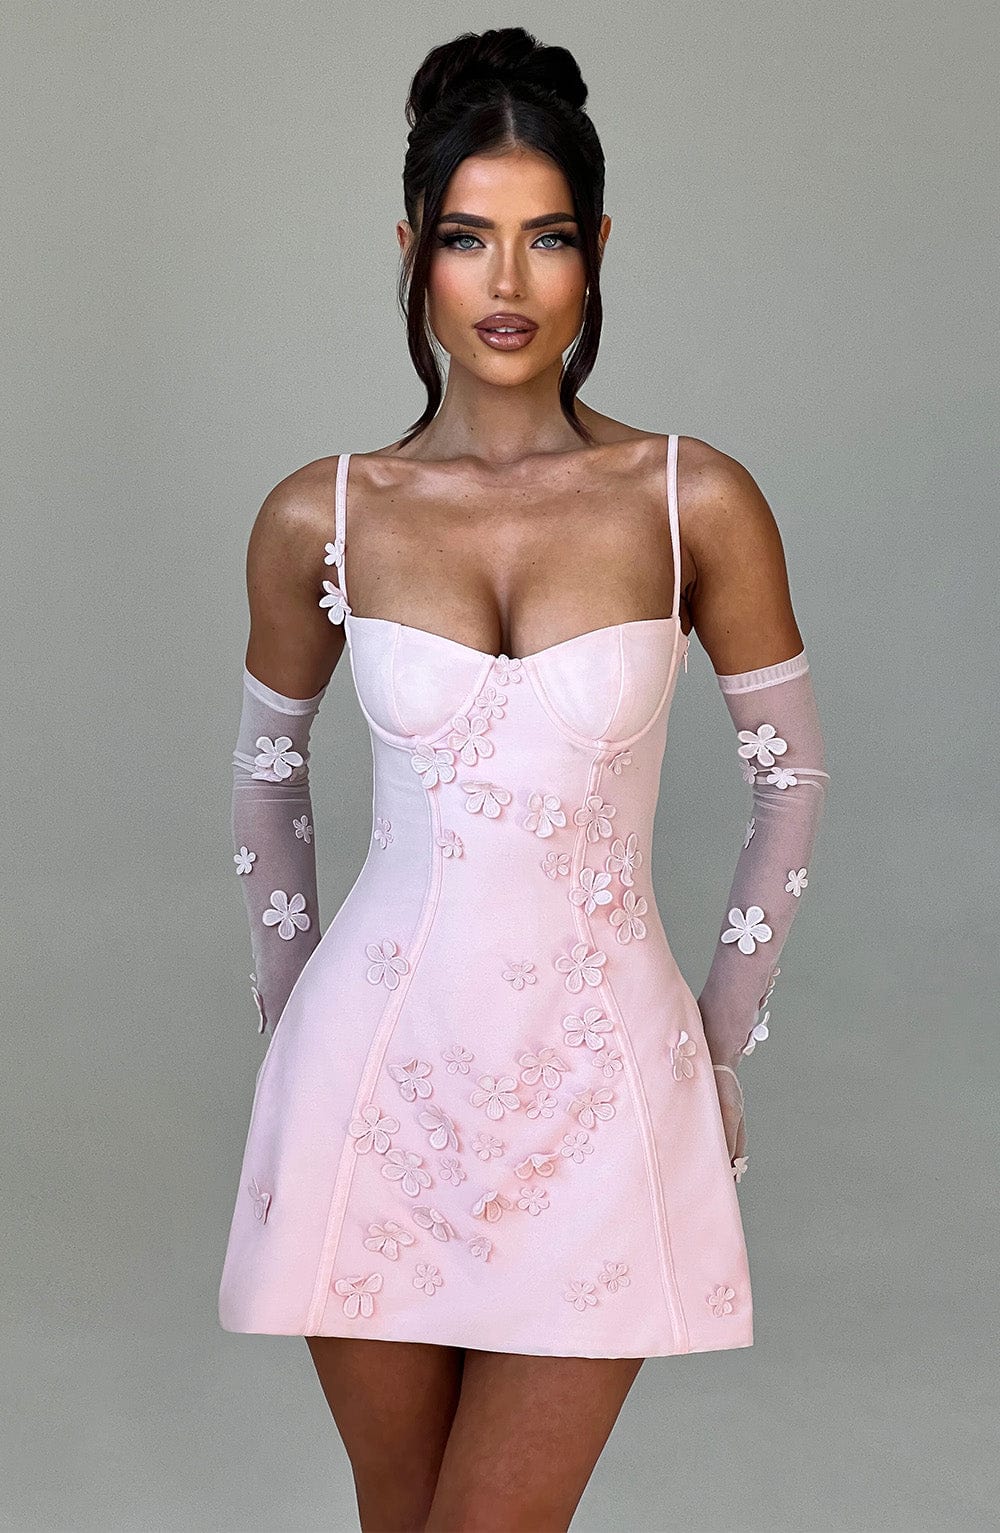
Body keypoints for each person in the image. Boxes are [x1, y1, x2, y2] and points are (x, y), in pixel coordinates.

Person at [217, 25, 830, 1532]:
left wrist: (712, 1051)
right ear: (412, 252)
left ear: (596, 250)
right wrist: (292, 1038)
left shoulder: (693, 499)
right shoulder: (322, 514)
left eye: (545, 238)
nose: (506, 282)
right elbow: (267, 780)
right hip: (372, 1085)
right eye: (466, 237)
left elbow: (794, 782)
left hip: (598, 1094)